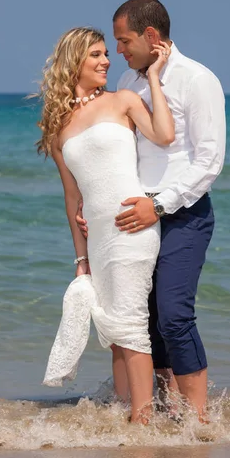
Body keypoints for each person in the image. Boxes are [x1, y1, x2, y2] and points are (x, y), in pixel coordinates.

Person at [77, 0, 226, 422]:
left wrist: (158, 205)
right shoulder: (128, 79)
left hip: (182, 212)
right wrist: (94, 205)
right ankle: (165, 411)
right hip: (134, 216)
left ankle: (198, 423)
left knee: (175, 315)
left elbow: (209, 161)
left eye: (123, 41)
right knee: (147, 318)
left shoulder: (198, 79)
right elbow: (110, 150)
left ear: (151, 36)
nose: (118, 51)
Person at [38, 26, 175, 423]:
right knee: (114, 333)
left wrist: (153, 77)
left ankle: (141, 421)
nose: (106, 61)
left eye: (106, 54)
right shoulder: (58, 127)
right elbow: (71, 198)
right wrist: (80, 258)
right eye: (96, 55)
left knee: (130, 324)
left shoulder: (123, 101)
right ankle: (123, 411)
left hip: (132, 226)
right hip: (97, 236)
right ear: (74, 62)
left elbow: (165, 135)